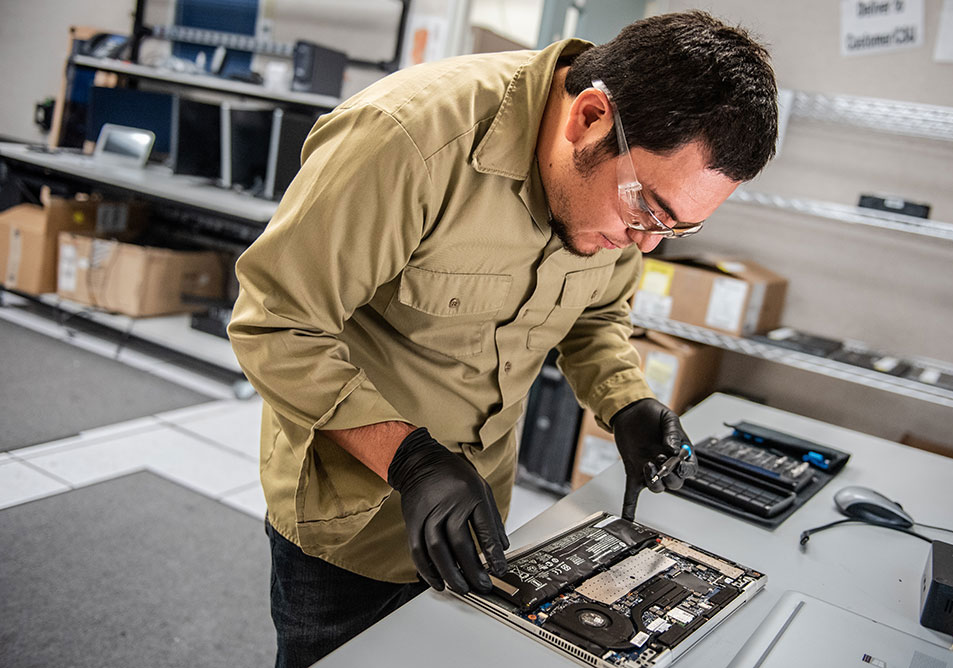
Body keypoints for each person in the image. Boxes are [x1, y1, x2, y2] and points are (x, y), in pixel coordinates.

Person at [228, 10, 778, 667]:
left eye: (678, 229)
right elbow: (276, 323)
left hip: (481, 512)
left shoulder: (621, 195)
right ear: (590, 119)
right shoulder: (409, 139)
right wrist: (408, 458)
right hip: (352, 517)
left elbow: (596, 315)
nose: (647, 241)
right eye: (649, 210)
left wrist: (627, 401)